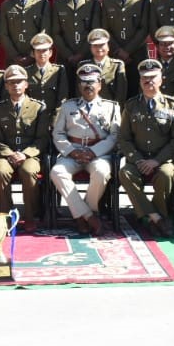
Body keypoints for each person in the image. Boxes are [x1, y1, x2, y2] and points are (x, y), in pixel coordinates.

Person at [118, 59, 174, 238]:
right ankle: (157, 218)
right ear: (140, 81)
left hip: (163, 159)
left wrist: (156, 160)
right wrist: (138, 159)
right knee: (125, 173)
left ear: (161, 79)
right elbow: (124, 139)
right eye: (144, 79)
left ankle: (153, 216)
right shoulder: (131, 105)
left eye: (153, 78)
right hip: (139, 159)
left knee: (165, 174)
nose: (149, 82)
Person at [50, 62, 121, 235]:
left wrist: (93, 152)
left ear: (100, 84)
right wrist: (72, 151)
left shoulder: (111, 107)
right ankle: (90, 216)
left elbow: (114, 135)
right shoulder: (68, 107)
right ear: (79, 85)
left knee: (102, 172)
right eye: (84, 82)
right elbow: (58, 133)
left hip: (98, 153)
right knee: (57, 172)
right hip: (72, 151)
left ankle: (83, 215)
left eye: (92, 81)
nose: (88, 86)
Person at [0, 64, 50, 234]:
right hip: (5, 154)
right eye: (11, 82)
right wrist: (9, 154)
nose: (15, 85)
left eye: (19, 82)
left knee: (29, 172)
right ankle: (7, 214)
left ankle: (30, 215)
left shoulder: (39, 108)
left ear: (26, 84)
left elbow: (42, 139)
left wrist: (25, 154)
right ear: (6, 86)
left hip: (30, 154)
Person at [101, 0, 151, 92]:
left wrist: (127, 51)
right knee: (116, 92)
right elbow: (105, 30)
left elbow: (144, 28)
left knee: (138, 92)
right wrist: (118, 51)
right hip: (114, 56)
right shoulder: (108, 1)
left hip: (137, 55)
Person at [51, 0, 101, 74]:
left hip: (88, 56)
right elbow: (56, 33)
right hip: (65, 58)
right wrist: (68, 55)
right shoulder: (58, 3)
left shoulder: (93, 2)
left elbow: (95, 31)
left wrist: (81, 54)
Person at [0, 0, 52, 68]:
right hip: (13, 61)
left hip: (37, 59)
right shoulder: (7, 5)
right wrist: (15, 56)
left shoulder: (42, 3)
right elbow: (3, 34)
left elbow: (44, 31)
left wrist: (32, 54)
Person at [26, 32, 69, 121]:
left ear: (50, 52)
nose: (42, 54)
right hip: (32, 119)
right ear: (33, 53)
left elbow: (62, 99)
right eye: (38, 50)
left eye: (45, 50)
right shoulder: (27, 72)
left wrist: (55, 120)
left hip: (53, 118)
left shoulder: (59, 71)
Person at [84, 28, 128, 103]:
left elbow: (120, 94)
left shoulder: (117, 65)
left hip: (109, 110)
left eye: (102, 45)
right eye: (95, 45)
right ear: (91, 48)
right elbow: (80, 92)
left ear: (108, 47)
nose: (99, 48)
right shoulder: (84, 66)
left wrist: (115, 112)